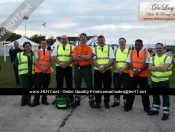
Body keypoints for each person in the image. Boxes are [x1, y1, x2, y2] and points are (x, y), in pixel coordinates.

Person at [124, 39, 150, 113]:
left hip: (143, 75)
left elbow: (147, 63)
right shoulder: (131, 52)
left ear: (142, 45)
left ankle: (146, 107)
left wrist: (139, 70)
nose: (137, 46)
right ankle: (128, 106)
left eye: (138, 45)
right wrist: (134, 69)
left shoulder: (146, 52)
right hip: (133, 74)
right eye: (136, 45)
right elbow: (128, 62)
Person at [148, 43, 172, 120]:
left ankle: (166, 112)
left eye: (160, 48)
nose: (158, 49)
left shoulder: (168, 57)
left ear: (163, 48)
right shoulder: (152, 58)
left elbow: (165, 68)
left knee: (165, 96)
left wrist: (155, 67)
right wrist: (160, 67)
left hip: (164, 80)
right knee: (155, 95)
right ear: (155, 49)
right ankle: (155, 109)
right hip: (154, 80)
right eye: (157, 48)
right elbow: (150, 68)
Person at [72, 33, 95, 108]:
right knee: (77, 85)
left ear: (86, 39)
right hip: (78, 68)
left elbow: (89, 57)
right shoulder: (76, 48)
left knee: (89, 85)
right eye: (81, 37)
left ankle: (91, 101)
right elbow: (74, 58)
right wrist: (84, 57)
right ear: (80, 38)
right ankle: (77, 101)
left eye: (84, 37)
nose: (83, 38)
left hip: (87, 68)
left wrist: (80, 56)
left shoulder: (89, 48)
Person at [51, 35, 74, 105]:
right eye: (63, 39)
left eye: (65, 39)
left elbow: (73, 57)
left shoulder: (71, 47)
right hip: (59, 67)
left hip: (68, 67)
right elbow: (54, 57)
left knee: (69, 84)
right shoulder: (57, 47)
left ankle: (71, 98)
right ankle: (58, 97)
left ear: (67, 39)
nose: (64, 40)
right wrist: (61, 64)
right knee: (59, 84)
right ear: (60, 40)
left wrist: (66, 64)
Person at [92, 35, 114, 108]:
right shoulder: (94, 49)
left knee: (107, 87)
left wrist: (105, 68)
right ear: (97, 41)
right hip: (98, 71)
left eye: (102, 40)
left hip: (107, 71)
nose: (101, 41)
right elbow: (94, 61)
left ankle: (106, 102)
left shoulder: (109, 48)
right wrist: (100, 68)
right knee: (97, 87)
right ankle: (98, 102)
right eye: (99, 40)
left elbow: (112, 60)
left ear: (105, 40)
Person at [31, 40, 52, 107]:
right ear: (40, 44)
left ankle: (44, 100)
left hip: (47, 72)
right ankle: (36, 101)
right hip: (38, 72)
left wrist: (45, 68)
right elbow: (35, 61)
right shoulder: (36, 52)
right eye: (42, 43)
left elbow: (51, 62)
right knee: (37, 87)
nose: (43, 44)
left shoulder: (50, 52)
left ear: (47, 44)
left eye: (45, 43)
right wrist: (41, 68)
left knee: (45, 86)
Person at [111, 38, 129, 108]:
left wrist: (123, 69)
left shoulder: (129, 51)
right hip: (117, 73)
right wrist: (118, 69)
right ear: (118, 43)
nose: (121, 43)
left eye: (123, 42)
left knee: (126, 87)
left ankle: (126, 102)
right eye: (120, 42)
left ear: (125, 42)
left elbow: (129, 63)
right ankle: (116, 101)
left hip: (126, 73)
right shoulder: (115, 51)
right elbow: (114, 62)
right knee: (116, 87)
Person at [15, 42, 35, 106]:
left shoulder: (34, 54)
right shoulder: (19, 54)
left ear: (31, 47)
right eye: (26, 46)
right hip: (23, 74)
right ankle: (23, 101)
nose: (27, 47)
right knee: (25, 87)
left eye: (28, 46)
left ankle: (28, 101)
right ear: (24, 47)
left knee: (30, 87)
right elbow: (16, 63)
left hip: (32, 74)